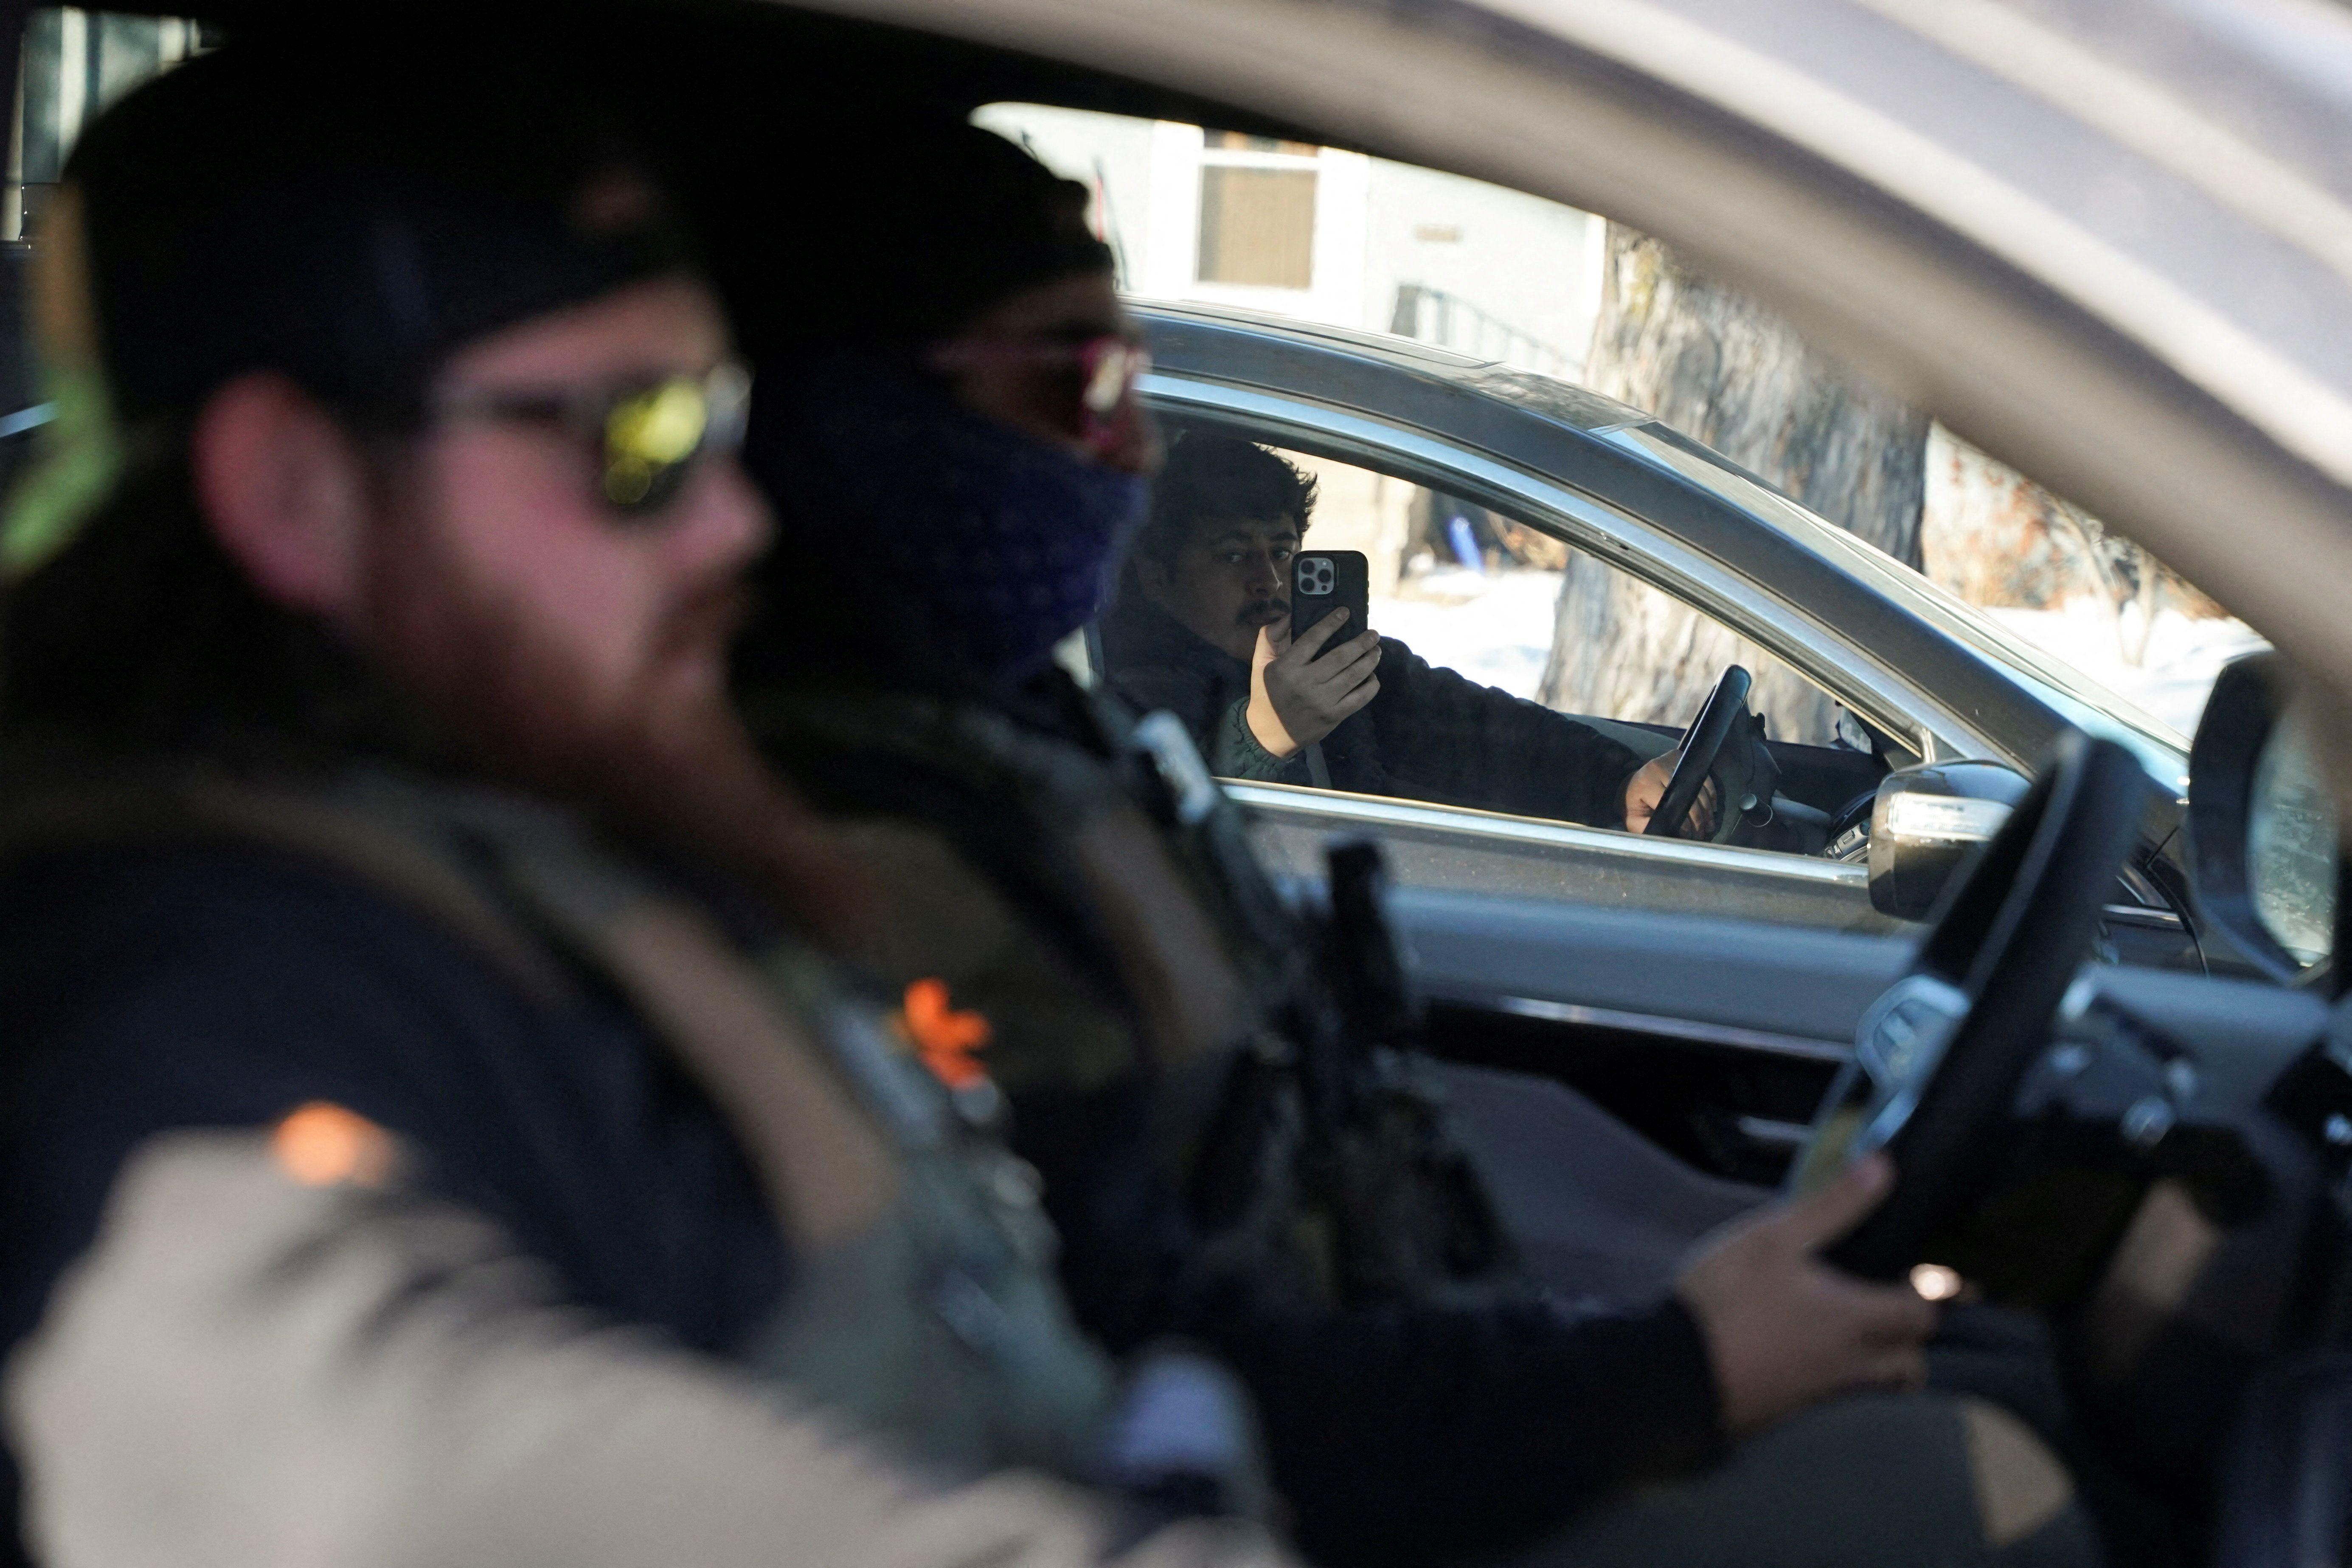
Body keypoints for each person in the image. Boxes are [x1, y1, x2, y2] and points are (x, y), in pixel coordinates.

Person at [700, 114, 2098, 1568]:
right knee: (1986, 1490)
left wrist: (1621, 784)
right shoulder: (867, 840)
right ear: (849, 416)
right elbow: (1164, 1363)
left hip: (1399, 1364)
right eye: (1081, 382)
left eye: (1135, 383)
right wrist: (1670, 1370)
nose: (1128, 445)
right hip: (1298, 1485)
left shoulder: (1024, 728)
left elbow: (1472, 728)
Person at [0, 37, 1282, 1568]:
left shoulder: (542, 845)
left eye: (719, 417)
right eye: (638, 439)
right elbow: (371, 1466)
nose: (735, 520)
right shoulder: (198, 971)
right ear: (294, 489)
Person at [1100, 434, 1711, 835]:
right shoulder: (1119, 695)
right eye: (1233, 556)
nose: (1269, 580)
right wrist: (1262, 737)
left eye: (1282, 551)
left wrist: (1620, 784)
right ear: (1156, 577)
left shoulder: (1343, 666)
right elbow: (1151, 834)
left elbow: (1489, 735)